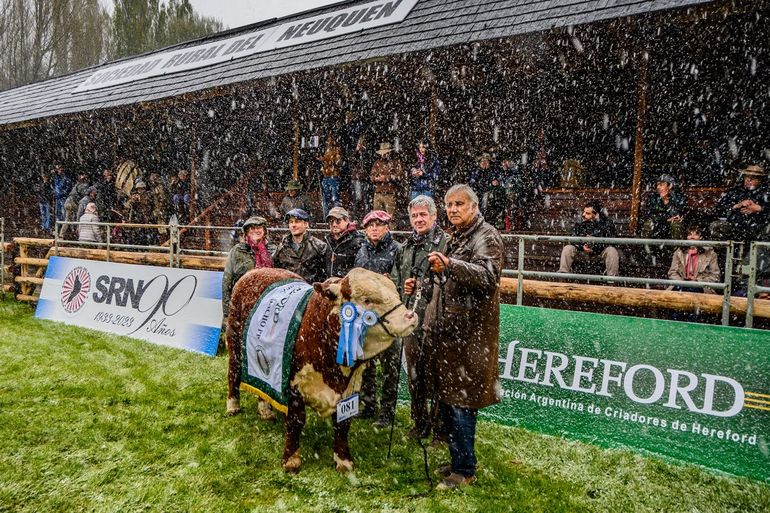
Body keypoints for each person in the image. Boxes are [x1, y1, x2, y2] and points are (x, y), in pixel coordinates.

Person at [422, 184, 503, 490]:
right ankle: (459, 460)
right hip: (451, 334)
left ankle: (465, 471)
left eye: (459, 204)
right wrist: (439, 273)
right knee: (450, 400)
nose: (452, 209)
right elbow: (453, 279)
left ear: (473, 206)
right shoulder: (458, 237)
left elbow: (488, 277)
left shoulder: (486, 236)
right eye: (448, 204)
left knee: (461, 403)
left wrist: (450, 264)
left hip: (471, 335)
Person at [389, 195, 449, 441]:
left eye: (423, 214)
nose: (419, 219)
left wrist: (428, 284)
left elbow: (451, 280)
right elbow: (395, 280)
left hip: (437, 319)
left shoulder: (446, 243)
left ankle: (439, 429)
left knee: (437, 376)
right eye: (414, 215)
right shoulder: (404, 248)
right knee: (415, 375)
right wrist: (404, 287)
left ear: (434, 217)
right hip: (411, 317)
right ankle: (419, 422)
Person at [355, 210, 402, 427]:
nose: (374, 228)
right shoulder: (362, 249)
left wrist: (389, 283)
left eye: (379, 224)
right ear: (365, 229)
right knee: (366, 364)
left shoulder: (397, 250)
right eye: (370, 225)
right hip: (365, 316)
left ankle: (387, 412)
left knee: (390, 367)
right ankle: (368, 404)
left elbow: (401, 282)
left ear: (387, 227)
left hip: (388, 317)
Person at [222, 216, 274, 320]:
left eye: (259, 227)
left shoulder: (273, 250)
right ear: (246, 232)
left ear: (264, 231)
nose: (256, 230)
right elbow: (227, 281)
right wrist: (227, 311)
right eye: (252, 228)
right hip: (242, 303)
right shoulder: (237, 251)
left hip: (267, 303)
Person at [710, 164, 770, 242]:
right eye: (747, 177)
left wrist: (760, 208)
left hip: (759, 227)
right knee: (716, 226)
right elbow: (718, 208)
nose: (749, 180)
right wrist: (737, 205)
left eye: (753, 178)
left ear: (759, 180)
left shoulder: (766, 193)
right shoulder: (735, 191)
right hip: (735, 226)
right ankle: (725, 253)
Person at [558, 202, 619, 276]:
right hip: (582, 252)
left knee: (612, 251)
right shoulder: (580, 223)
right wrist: (582, 246)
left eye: (587, 213)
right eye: (584, 212)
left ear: (596, 215)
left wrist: (595, 245)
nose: (583, 215)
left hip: (599, 253)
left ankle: (612, 280)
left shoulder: (607, 224)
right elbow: (572, 238)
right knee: (568, 248)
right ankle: (563, 275)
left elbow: (611, 240)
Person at [272, 208, 328, 283]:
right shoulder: (281, 248)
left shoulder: (319, 246)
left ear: (306, 224)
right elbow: (276, 272)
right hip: (290, 290)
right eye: (291, 222)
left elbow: (325, 274)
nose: (293, 225)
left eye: (297, 221)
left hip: (311, 291)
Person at [667, 225, 720, 294]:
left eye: (696, 234)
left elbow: (715, 276)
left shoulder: (710, 254)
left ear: (701, 237)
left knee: (693, 291)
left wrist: (698, 283)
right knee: (678, 291)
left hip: (701, 287)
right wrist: (682, 283)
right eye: (689, 234)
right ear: (686, 237)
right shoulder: (679, 252)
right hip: (681, 284)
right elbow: (672, 272)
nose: (692, 237)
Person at [641, 174, 687, 241]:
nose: (658, 187)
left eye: (662, 184)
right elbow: (649, 214)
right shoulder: (653, 197)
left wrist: (666, 201)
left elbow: (677, 214)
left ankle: (677, 249)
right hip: (658, 223)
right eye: (658, 185)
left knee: (676, 225)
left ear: (670, 186)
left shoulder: (679, 197)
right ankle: (647, 248)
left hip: (671, 224)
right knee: (648, 224)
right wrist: (665, 219)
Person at [324, 206, 364, 279]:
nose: (334, 224)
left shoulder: (358, 241)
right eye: (331, 221)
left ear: (347, 221)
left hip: (348, 285)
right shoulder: (328, 240)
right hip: (330, 284)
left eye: (338, 221)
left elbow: (360, 269)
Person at [370, 142, 404, 219]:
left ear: (389, 153)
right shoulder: (377, 163)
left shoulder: (395, 162)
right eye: (382, 153)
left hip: (390, 193)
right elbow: (371, 177)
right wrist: (376, 178)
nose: (384, 155)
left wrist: (385, 178)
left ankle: (391, 231)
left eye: (386, 153)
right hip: (378, 193)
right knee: (377, 217)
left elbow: (399, 176)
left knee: (390, 218)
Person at [125, 180, 157, 246]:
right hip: (137, 217)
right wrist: (132, 200)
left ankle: (148, 245)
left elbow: (149, 203)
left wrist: (141, 199)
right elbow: (127, 205)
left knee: (148, 234)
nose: (140, 190)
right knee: (136, 234)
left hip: (147, 216)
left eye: (141, 189)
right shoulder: (134, 195)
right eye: (138, 189)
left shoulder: (149, 194)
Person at [317, 134, 342, 218]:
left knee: (335, 198)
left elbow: (338, 162)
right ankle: (326, 217)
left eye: (330, 140)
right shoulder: (325, 150)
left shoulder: (337, 150)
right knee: (325, 199)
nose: (328, 142)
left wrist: (324, 160)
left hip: (333, 176)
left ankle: (336, 216)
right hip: (326, 176)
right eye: (327, 140)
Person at [349, 135, 372, 220]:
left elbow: (368, 164)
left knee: (366, 200)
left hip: (364, 179)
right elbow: (351, 161)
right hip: (356, 179)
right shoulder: (355, 154)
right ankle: (355, 218)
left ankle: (366, 218)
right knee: (357, 199)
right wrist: (356, 151)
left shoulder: (367, 153)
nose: (361, 145)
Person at [62, 172, 89, 239]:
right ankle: (77, 232)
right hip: (72, 203)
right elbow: (83, 194)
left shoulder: (77, 184)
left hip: (67, 202)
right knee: (79, 215)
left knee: (67, 219)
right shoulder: (84, 185)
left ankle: (62, 234)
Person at [36, 171, 53, 235]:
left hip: (46, 200)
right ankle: (43, 226)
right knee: (43, 214)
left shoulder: (48, 184)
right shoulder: (40, 183)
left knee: (47, 214)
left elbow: (49, 192)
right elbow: (39, 190)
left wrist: (47, 197)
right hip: (42, 200)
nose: (44, 178)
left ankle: (47, 227)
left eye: (45, 177)